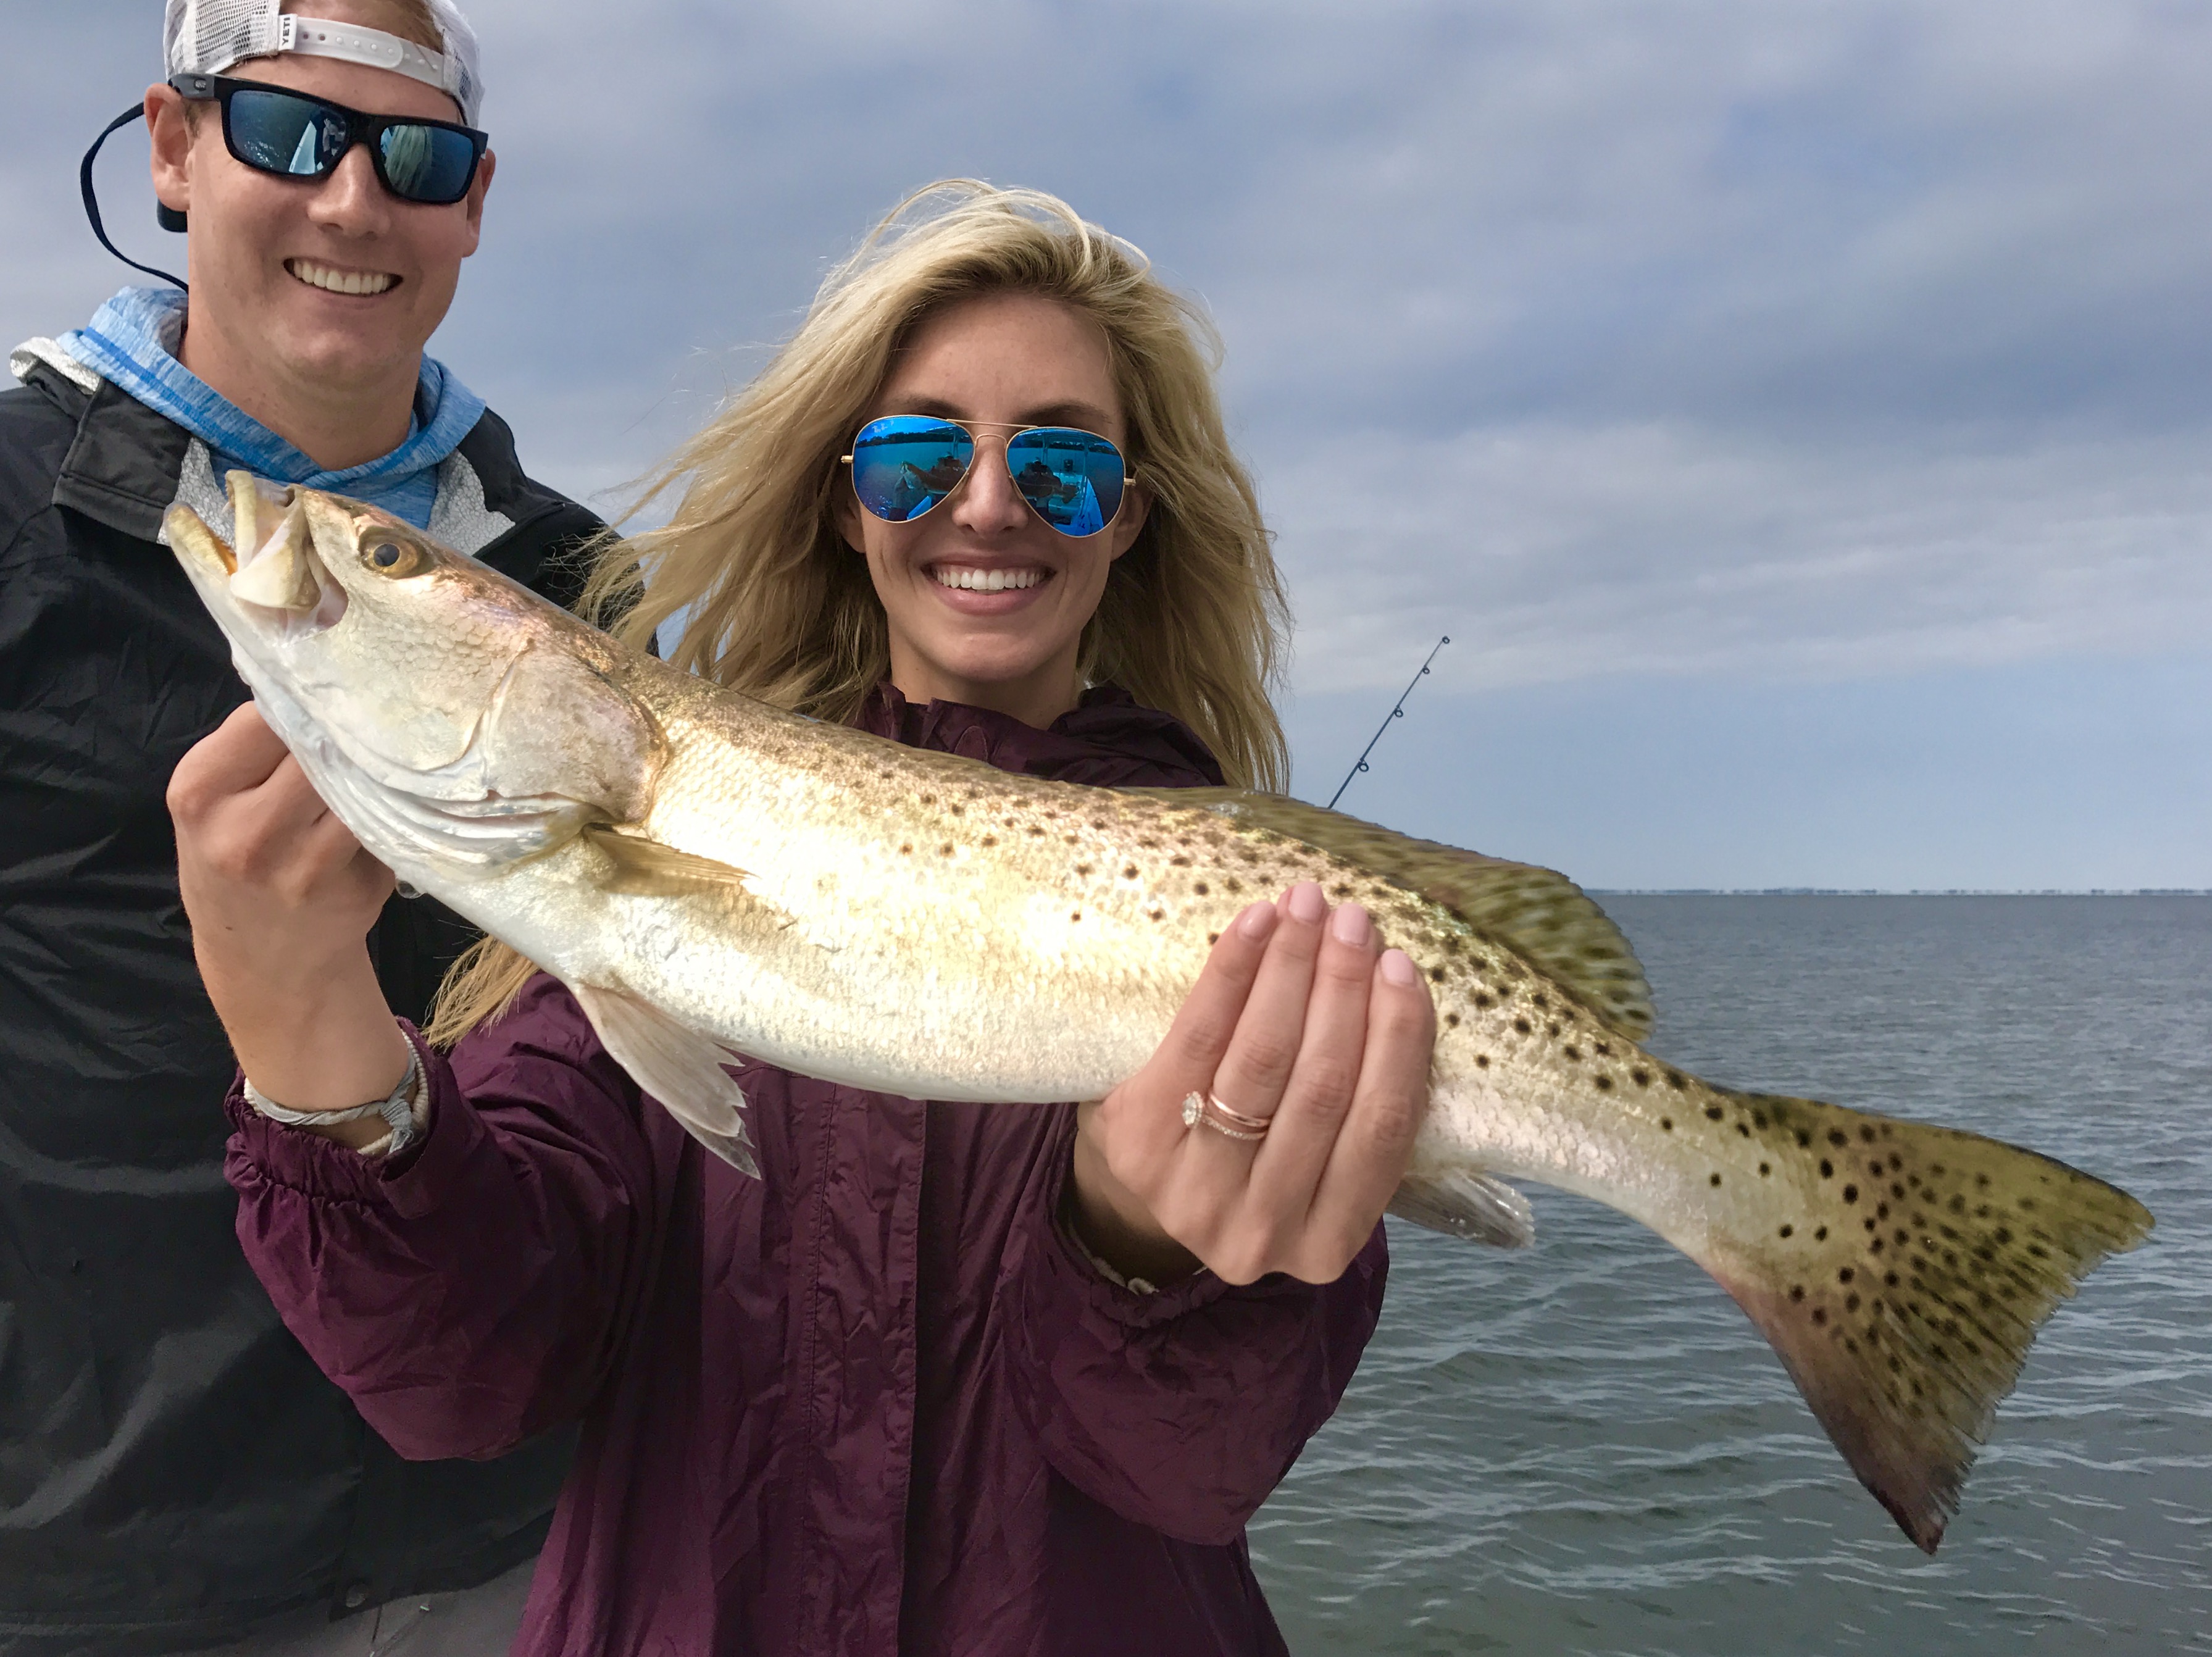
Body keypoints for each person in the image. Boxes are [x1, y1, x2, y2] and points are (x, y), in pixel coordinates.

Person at [168, 182, 1437, 1655]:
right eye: (913, 455)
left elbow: (1194, 1471)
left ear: (1130, 522)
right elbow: (467, 1384)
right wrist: (306, 1038)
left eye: (1064, 466)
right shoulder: (624, 879)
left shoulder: (1258, 927)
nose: (986, 503)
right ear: (847, 499)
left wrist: (1138, 1245)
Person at [0, 1, 594, 1650]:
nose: (350, 201)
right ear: (174, 147)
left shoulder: (580, 584)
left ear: (472, 208)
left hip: (524, 1526)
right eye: (283, 134)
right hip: (103, 1560)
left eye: (415, 157)